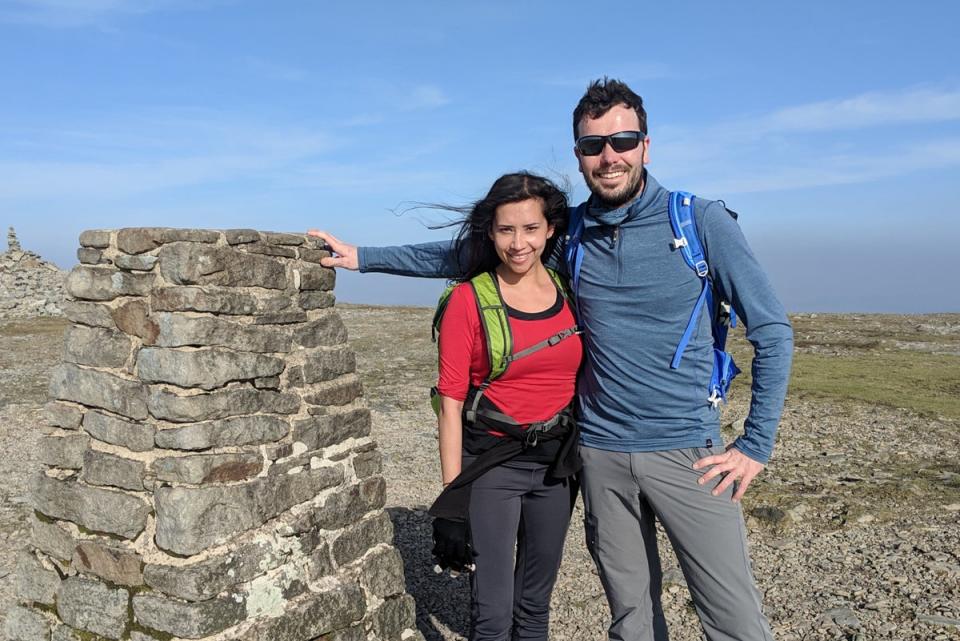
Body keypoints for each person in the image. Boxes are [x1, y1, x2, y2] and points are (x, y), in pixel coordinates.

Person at [310, 78, 793, 641]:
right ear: (579, 155)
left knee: (732, 619)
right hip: (599, 453)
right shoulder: (575, 230)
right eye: (594, 147)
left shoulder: (701, 222)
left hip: (688, 450)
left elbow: (773, 332)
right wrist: (363, 257)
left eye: (623, 141)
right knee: (631, 618)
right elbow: (470, 250)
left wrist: (755, 446)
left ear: (646, 146)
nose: (609, 157)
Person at [345, 172, 582, 641]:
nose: (518, 243)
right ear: (489, 233)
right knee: (492, 614)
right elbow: (450, 404)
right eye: (506, 230)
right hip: (493, 465)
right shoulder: (468, 301)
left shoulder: (570, 289)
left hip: (557, 469)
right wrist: (453, 500)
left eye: (530, 229)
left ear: (550, 229)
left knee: (535, 606)